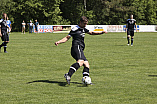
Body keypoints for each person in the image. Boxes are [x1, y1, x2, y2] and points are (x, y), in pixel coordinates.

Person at [55, 16, 107, 85]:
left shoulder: (83, 29)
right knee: (81, 61)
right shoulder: (75, 29)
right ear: (80, 22)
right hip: (76, 47)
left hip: (80, 48)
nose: (85, 25)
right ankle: (68, 75)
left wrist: (101, 32)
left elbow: (91, 33)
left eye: (86, 24)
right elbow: (67, 37)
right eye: (84, 23)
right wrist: (59, 42)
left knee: (86, 64)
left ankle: (86, 79)